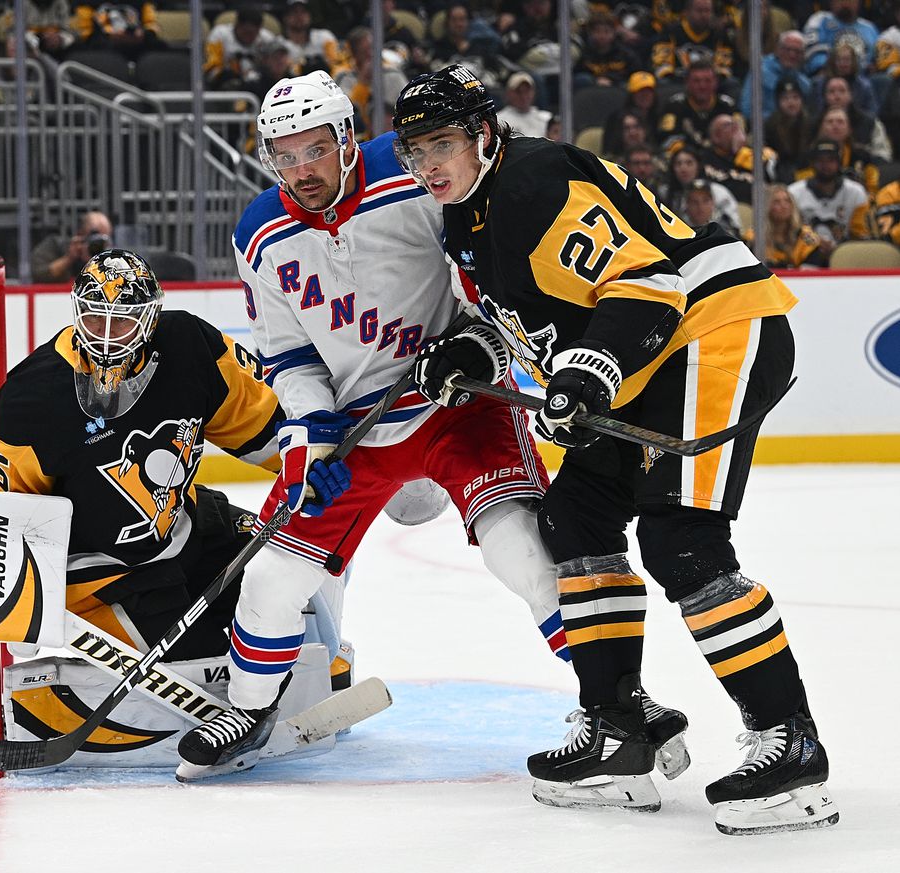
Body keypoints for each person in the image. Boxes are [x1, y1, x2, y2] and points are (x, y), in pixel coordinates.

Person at [175, 69, 689, 782]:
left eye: (315, 149)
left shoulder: (415, 174)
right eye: (285, 156)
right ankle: (250, 707)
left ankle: (617, 703)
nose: (302, 170)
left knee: (525, 554)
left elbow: (490, 282)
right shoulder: (259, 231)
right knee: (269, 577)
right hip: (359, 422)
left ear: (347, 139)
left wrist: (477, 343)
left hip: (460, 403)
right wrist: (310, 439)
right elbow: (289, 353)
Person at [392, 64, 836, 835]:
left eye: (443, 143)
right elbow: (524, 321)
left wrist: (589, 370)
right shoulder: (463, 217)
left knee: (682, 539)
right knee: (573, 520)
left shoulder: (532, 183)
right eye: (414, 149)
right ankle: (618, 729)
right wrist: (471, 353)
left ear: (485, 135)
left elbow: (648, 285)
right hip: (643, 366)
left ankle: (790, 742)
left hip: (711, 332)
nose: (428, 163)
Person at [0, 250, 305, 730]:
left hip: (183, 521)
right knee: (203, 657)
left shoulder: (190, 345)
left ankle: (299, 675)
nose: (107, 334)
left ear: (151, 315)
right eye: (96, 317)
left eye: (123, 321)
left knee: (290, 561)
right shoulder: (29, 402)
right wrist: (20, 618)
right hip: (98, 573)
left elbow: (258, 426)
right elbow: (16, 518)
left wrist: (311, 464)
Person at [788, 137, 870, 253]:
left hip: (845, 255)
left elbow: (861, 235)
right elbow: (788, 232)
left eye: (831, 160)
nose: (825, 165)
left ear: (839, 162)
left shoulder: (856, 192)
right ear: (812, 163)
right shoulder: (794, 192)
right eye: (820, 160)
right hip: (805, 256)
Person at [656, 59, 739, 153]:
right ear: (687, 83)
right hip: (688, 161)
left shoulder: (727, 105)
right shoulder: (674, 106)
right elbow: (667, 139)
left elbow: (741, 136)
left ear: (716, 82)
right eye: (696, 81)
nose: (702, 86)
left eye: (707, 81)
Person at [744, 183, 829, 268]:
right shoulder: (753, 237)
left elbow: (813, 267)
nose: (784, 206)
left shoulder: (805, 236)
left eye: (787, 201)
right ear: (766, 207)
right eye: (776, 202)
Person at [740, 29, 810, 120]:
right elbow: (748, 109)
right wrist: (777, 121)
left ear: (803, 55)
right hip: (765, 128)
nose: (792, 55)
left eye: (797, 51)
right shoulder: (759, 71)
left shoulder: (805, 84)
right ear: (778, 49)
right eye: (787, 49)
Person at [31, 211, 114, 283]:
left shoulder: (112, 257)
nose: (99, 245)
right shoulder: (56, 246)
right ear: (80, 234)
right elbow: (39, 275)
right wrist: (69, 258)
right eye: (95, 239)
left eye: (104, 240)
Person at [496, 70, 551, 138]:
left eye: (527, 91)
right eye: (518, 91)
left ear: (534, 93)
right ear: (508, 93)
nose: (523, 96)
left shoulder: (547, 119)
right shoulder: (499, 121)